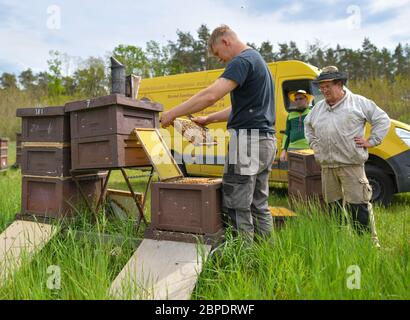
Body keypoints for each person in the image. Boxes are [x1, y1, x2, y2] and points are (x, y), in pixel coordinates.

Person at [160, 25, 276, 241]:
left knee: (236, 203)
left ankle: (245, 260)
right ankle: (267, 255)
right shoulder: (258, 62)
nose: (220, 60)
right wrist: (209, 119)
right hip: (265, 141)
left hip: (247, 142)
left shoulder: (241, 61)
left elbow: (210, 95)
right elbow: (238, 108)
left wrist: (171, 114)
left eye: (217, 54)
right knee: (258, 204)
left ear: (225, 42)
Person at [304, 66, 391, 247]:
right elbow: (308, 125)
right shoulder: (318, 109)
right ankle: (340, 243)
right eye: (321, 86)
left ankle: (366, 246)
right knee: (333, 208)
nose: (323, 90)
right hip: (327, 167)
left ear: (340, 84)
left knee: (358, 207)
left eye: (327, 86)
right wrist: (314, 144)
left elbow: (382, 119)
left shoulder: (358, 103)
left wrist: (372, 140)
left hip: (351, 166)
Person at [280, 90, 313, 162]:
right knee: (294, 172)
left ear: (306, 100)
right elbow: (287, 133)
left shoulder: (312, 113)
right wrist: (284, 150)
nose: (298, 101)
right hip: (292, 149)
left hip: (308, 149)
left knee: (309, 172)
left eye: (301, 98)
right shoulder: (290, 115)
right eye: (296, 99)